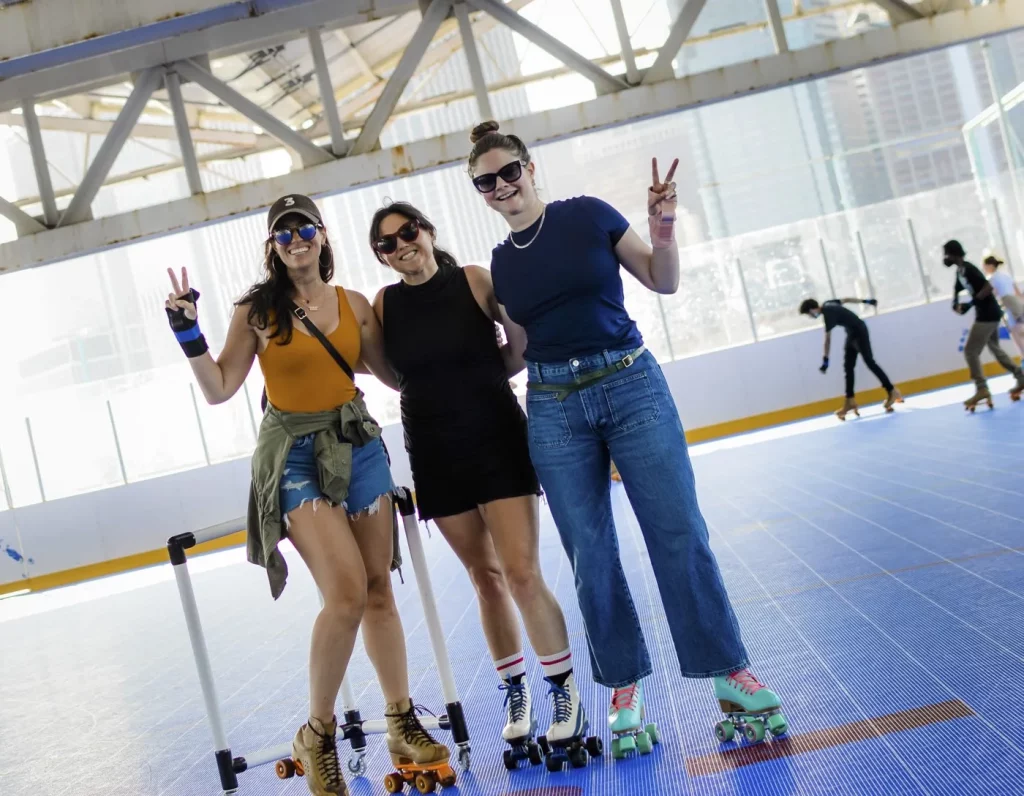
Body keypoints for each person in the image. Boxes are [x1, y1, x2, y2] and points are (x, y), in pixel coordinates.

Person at [464, 120, 787, 747]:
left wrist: (663, 226)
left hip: (630, 383)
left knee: (679, 531)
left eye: (509, 172)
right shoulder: (502, 266)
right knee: (590, 555)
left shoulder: (587, 214)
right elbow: (520, 351)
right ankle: (623, 685)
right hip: (554, 405)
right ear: (479, 192)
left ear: (530, 170)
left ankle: (729, 672)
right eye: (487, 181)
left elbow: (661, 279)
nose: (502, 185)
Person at [163, 194, 448, 796]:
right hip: (293, 457)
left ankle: (400, 721)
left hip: (358, 442)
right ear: (272, 245)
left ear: (322, 236)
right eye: (283, 231)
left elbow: (394, 375)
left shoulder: (354, 306)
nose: (296, 239)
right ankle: (316, 734)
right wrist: (187, 331)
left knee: (377, 590)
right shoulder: (257, 312)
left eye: (305, 228)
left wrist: (451, 339)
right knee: (344, 593)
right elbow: (218, 388)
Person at [367, 200, 581, 750]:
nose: (401, 246)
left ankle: (562, 687)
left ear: (428, 231)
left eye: (407, 232)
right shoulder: (385, 304)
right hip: (436, 453)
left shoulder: (475, 280)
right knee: (484, 579)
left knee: (521, 573)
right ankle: (517, 689)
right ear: (382, 257)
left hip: (496, 439)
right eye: (386, 243)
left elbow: (520, 348)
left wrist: (483, 381)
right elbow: (389, 374)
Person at [943, 240, 1024, 408]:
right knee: (995, 347)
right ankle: (1020, 375)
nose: (945, 258)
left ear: (954, 253)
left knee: (970, 351)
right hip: (988, 314)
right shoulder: (960, 271)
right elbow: (957, 289)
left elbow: (987, 286)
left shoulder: (969, 269)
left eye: (947, 254)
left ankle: (981, 388)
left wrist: (971, 304)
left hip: (987, 315)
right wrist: (956, 303)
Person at [798, 296, 902, 420]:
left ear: (812, 310)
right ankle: (850, 400)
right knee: (848, 367)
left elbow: (827, 340)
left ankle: (891, 390)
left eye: (808, 314)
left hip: (859, 332)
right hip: (851, 333)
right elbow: (846, 299)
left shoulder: (828, 313)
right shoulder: (828, 303)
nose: (810, 317)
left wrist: (826, 360)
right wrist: (866, 301)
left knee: (869, 362)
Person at [982, 253, 1024, 359]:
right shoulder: (1006, 275)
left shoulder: (993, 278)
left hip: (1009, 305)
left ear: (990, 266)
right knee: (1018, 331)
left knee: (1016, 333)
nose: (984, 269)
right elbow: (1018, 292)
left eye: (985, 266)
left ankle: (1023, 355)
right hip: (1016, 305)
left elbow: (993, 294)